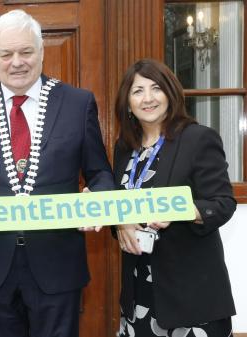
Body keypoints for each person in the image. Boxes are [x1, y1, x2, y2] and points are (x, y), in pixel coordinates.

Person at [0, 9, 114, 337]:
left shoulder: (78, 103)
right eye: (6, 54)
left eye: (26, 52)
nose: (16, 62)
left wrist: (99, 197)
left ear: (41, 52)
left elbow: (100, 173)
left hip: (58, 263)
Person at [113, 59, 236, 336]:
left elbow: (223, 203)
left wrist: (182, 210)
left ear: (170, 93)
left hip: (191, 294)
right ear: (127, 102)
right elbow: (121, 208)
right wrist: (118, 222)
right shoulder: (124, 149)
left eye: (156, 88)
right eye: (137, 91)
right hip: (139, 292)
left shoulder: (197, 139)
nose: (147, 98)